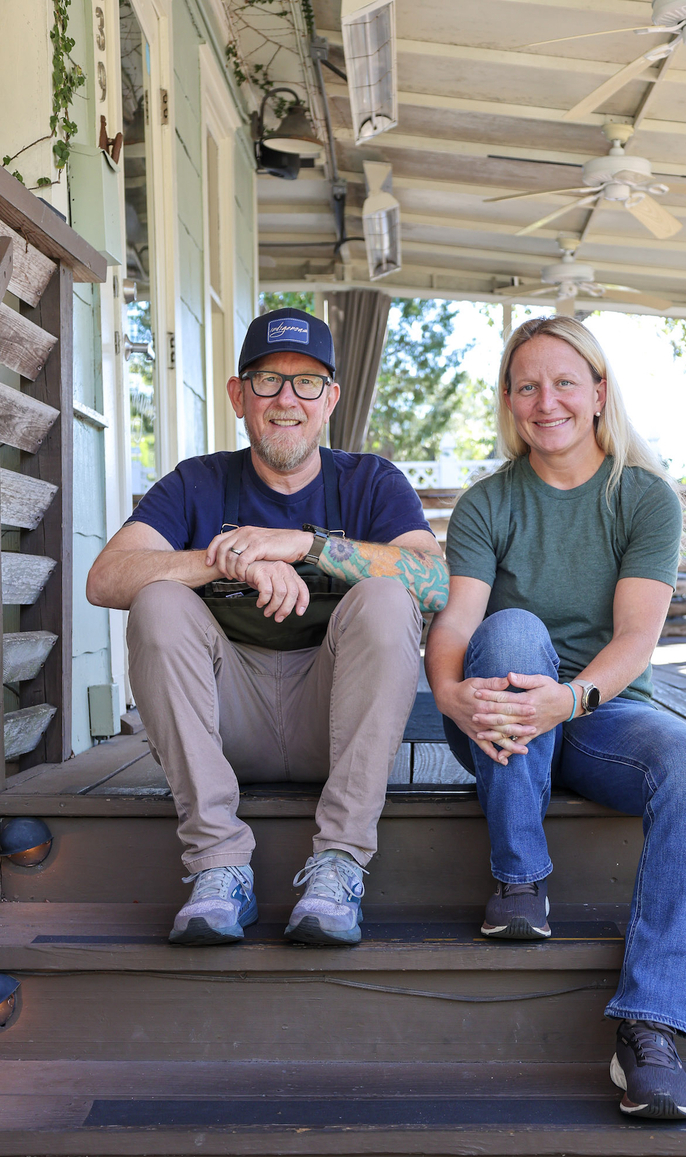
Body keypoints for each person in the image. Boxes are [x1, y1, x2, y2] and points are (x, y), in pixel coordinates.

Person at [425, 316, 686, 1121]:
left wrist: (574, 698)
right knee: (512, 629)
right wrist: (447, 693)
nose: (544, 400)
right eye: (526, 385)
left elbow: (635, 638)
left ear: (598, 392)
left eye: (563, 381)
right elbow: (456, 624)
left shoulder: (641, 497)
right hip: (497, 719)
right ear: (509, 401)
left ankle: (650, 1028)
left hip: (597, 715)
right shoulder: (489, 502)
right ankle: (519, 880)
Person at [87, 307, 448, 948]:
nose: (287, 399)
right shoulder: (197, 482)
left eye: (307, 382)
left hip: (332, 723)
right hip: (228, 724)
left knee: (391, 598)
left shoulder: (370, 481)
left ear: (331, 398)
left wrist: (303, 546)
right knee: (157, 599)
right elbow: (105, 577)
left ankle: (339, 864)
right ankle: (219, 865)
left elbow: (435, 581)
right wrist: (227, 556)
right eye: (267, 380)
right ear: (237, 395)